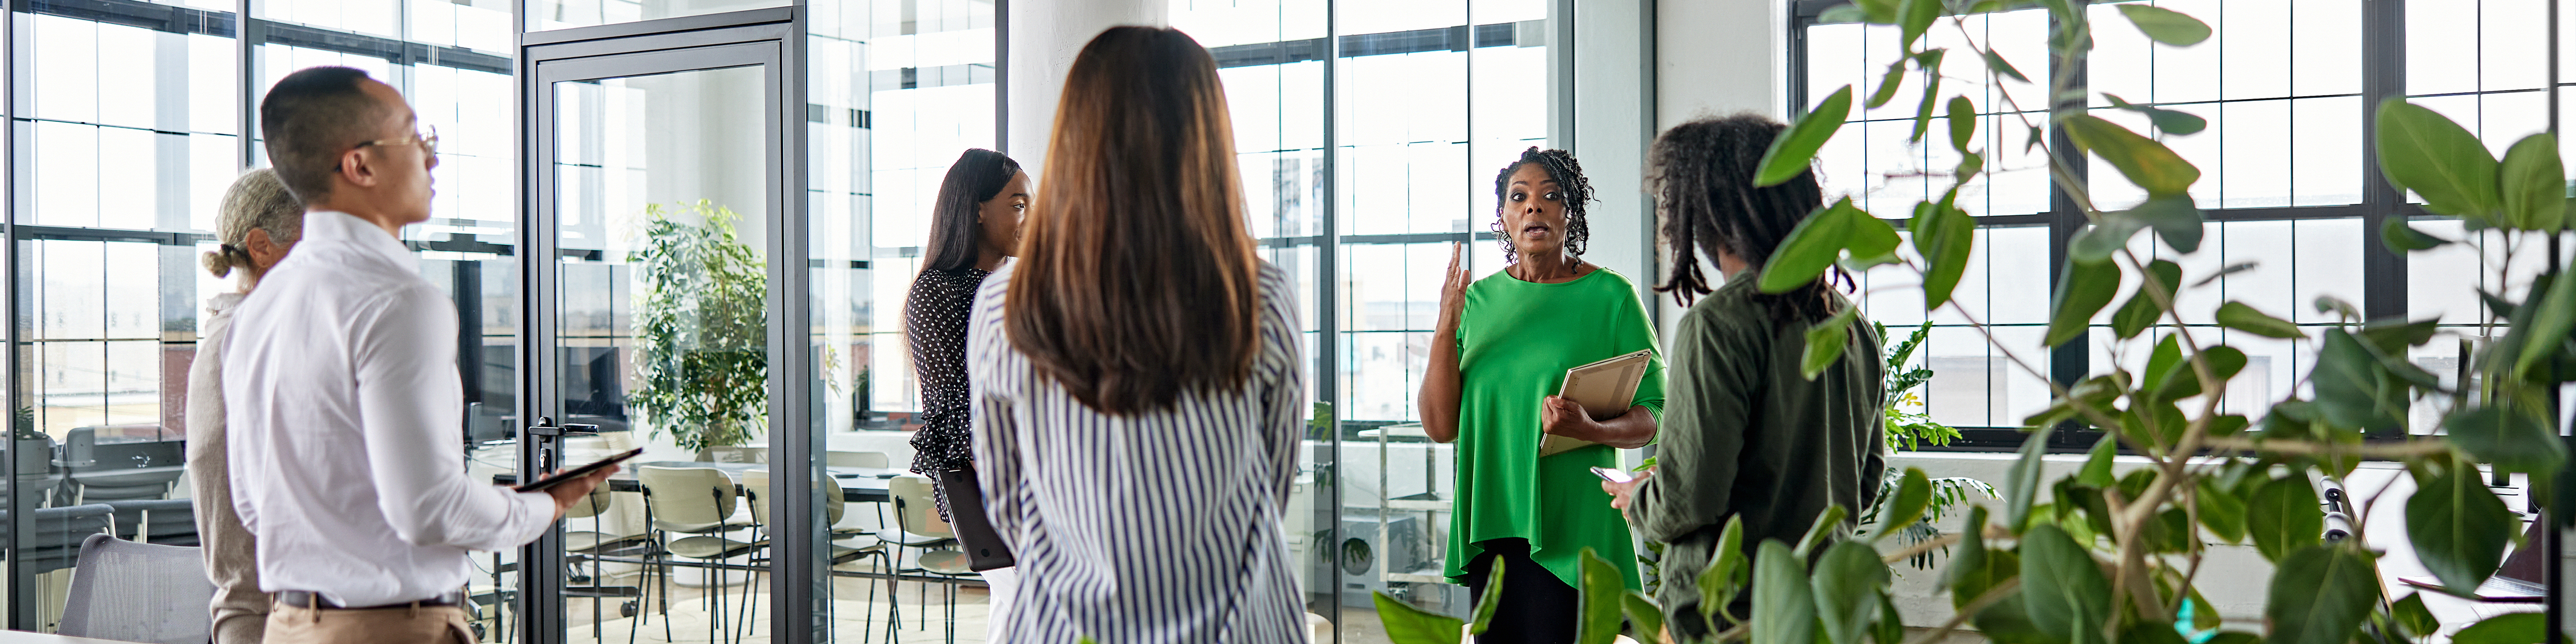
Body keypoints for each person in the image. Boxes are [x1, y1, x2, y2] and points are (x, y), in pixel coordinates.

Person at [224, 66, 613, 644]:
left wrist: (473, 503)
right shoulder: (399, 301)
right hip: (388, 630)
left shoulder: (261, 306)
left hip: (288, 627)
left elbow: (258, 507)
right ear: (360, 165)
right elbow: (426, 511)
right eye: (415, 137)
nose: (432, 159)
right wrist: (545, 507)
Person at [965, 26, 1305, 642]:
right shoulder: (1260, 295)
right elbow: (1272, 486)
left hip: (1061, 626)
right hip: (1242, 625)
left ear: (1074, 144)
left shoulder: (1002, 306)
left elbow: (1008, 498)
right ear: (1206, 146)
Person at [1602, 114, 1887, 640]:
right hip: (1823, 610)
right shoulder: (1851, 326)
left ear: (1708, 214)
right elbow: (1862, 481)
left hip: (1728, 616)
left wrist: (1639, 498)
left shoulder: (1718, 326)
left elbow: (1689, 499)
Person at [1419, 147, 1665, 644]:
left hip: (1572, 525)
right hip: (1493, 525)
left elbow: (1655, 413)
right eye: (1520, 197)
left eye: (1551, 197)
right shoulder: (1477, 302)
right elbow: (1440, 426)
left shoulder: (1611, 297)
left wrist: (1592, 430)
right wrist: (1446, 324)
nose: (1535, 207)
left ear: (1568, 213)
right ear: (1504, 217)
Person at [904, 147, 1027, 640]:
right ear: (978, 209)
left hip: (1033, 475)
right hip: (982, 479)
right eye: (1017, 204)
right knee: (1025, 600)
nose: (1028, 217)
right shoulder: (937, 290)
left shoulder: (1014, 288)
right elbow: (958, 406)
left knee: (1018, 604)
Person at [188, 168, 303, 644]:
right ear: (261, 247)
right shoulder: (231, 350)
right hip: (266, 625)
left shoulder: (280, 340)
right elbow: (239, 564)